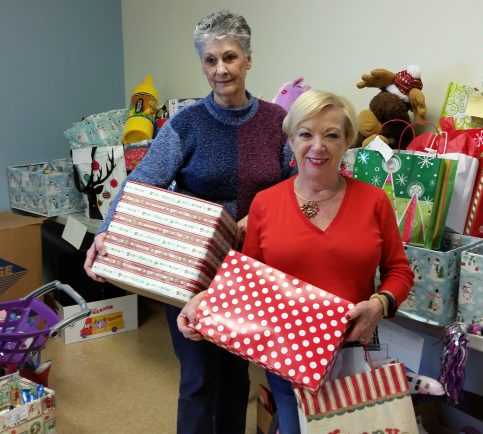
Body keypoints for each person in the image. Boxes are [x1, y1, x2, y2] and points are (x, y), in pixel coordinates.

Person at [83, 10, 294, 434]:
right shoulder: (185, 124)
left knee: (237, 377)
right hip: (190, 268)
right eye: (210, 60)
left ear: (249, 60)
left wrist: (260, 215)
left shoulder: (277, 123)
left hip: (249, 269)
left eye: (230, 57)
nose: (221, 69)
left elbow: (297, 186)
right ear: (202, 64)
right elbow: (141, 182)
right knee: (198, 378)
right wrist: (107, 230)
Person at [178, 89, 415, 434]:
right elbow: (246, 280)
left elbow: (399, 271)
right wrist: (204, 301)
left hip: (352, 355)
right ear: (290, 139)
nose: (317, 146)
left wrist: (380, 303)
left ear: (348, 141)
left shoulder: (374, 201)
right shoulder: (266, 204)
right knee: (294, 427)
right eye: (306, 134)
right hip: (286, 358)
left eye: (332, 135)